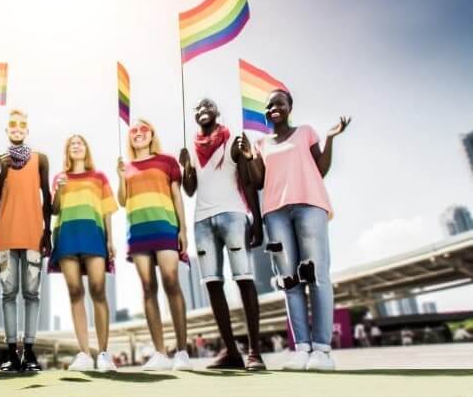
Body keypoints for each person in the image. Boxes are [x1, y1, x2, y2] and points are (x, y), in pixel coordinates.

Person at [239, 88, 351, 372]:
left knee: (316, 274)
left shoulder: (305, 132)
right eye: (269, 106)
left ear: (289, 107)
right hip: (275, 213)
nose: (273, 108)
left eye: (279, 103)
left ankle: (322, 351)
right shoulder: (261, 143)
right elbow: (259, 180)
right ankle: (302, 348)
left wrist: (330, 138)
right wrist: (249, 156)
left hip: (310, 205)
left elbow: (320, 169)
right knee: (289, 280)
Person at [179, 99, 266, 371]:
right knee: (212, 284)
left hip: (234, 215)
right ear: (195, 117)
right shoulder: (192, 147)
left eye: (208, 106)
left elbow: (250, 182)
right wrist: (186, 168)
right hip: (202, 221)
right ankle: (231, 351)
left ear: (217, 112)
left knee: (244, 279)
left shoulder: (234, 141)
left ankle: (255, 353)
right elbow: (190, 189)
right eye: (198, 108)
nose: (202, 110)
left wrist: (257, 220)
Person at [116, 119, 191, 371]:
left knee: (171, 281)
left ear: (151, 134)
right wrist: (120, 177)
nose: (138, 133)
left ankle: (182, 351)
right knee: (148, 288)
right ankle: (160, 353)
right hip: (138, 231)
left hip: (165, 227)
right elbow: (123, 201)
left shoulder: (168, 161)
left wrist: (183, 229)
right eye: (134, 131)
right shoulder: (126, 167)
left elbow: (177, 197)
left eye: (143, 130)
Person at [0, 109, 52, 372]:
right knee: (8, 294)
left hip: (34, 234)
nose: (17, 128)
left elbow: (47, 196)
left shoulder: (41, 159)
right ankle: (12, 353)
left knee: (32, 294)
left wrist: (48, 232)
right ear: (7, 130)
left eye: (22, 125)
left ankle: (31, 351)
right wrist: (1, 172)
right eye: (12, 124)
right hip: (5, 236)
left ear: (27, 130)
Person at [49, 134, 118, 372]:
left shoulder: (99, 177)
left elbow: (108, 210)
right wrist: (57, 190)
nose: (76, 146)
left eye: (79, 143)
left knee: (98, 290)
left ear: (86, 149)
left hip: (93, 235)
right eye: (71, 144)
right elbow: (55, 208)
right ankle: (85, 354)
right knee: (75, 292)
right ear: (67, 151)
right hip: (67, 236)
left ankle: (104, 354)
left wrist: (110, 240)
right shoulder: (59, 177)